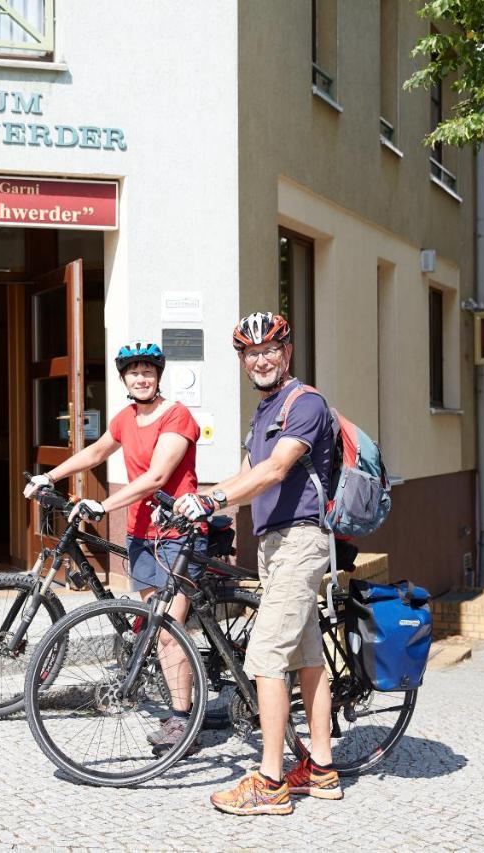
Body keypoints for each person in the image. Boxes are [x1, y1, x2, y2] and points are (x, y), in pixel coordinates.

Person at [174, 312, 341, 815]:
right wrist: (200, 501)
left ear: (286, 353)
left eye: (270, 349)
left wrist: (215, 497)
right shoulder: (265, 412)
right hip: (274, 544)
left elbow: (276, 468)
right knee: (307, 655)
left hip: (301, 541)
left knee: (266, 656)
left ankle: (270, 783)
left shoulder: (305, 403)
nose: (261, 359)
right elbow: (247, 474)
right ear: (243, 361)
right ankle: (322, 768)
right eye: (251, 353)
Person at [23, 340, 206, 752]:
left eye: (148, 371)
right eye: (133, 372)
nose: (141, 378)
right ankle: (180, 693)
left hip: (178, 535)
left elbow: (159, 476)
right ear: (123, 378)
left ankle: (182, 722)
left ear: (158, 376)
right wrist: (49, 478)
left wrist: (102, 504)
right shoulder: (126, 418)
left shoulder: (176, 416)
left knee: (168, 632)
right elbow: (96, 451)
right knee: (150, 623)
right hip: (142, 534)